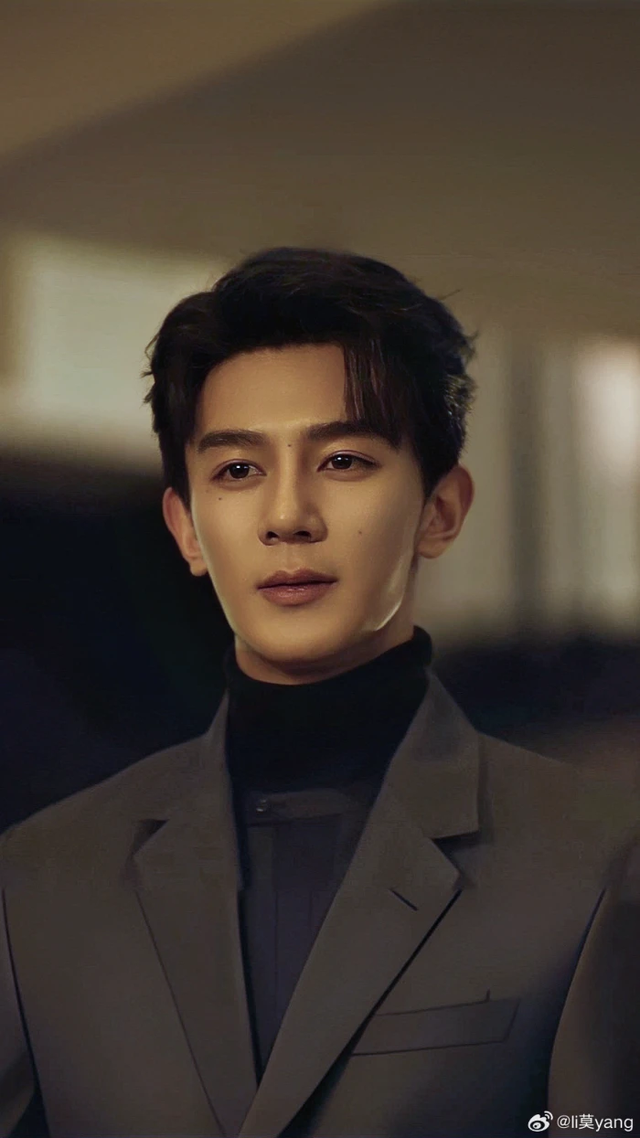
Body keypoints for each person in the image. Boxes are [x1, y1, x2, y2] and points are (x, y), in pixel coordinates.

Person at [1, 247, 639, 1138]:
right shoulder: (41, 880)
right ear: (187, 529)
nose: (287, 516)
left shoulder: (596, 862)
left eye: (342, 460)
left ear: (441, 510)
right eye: (237, 470)